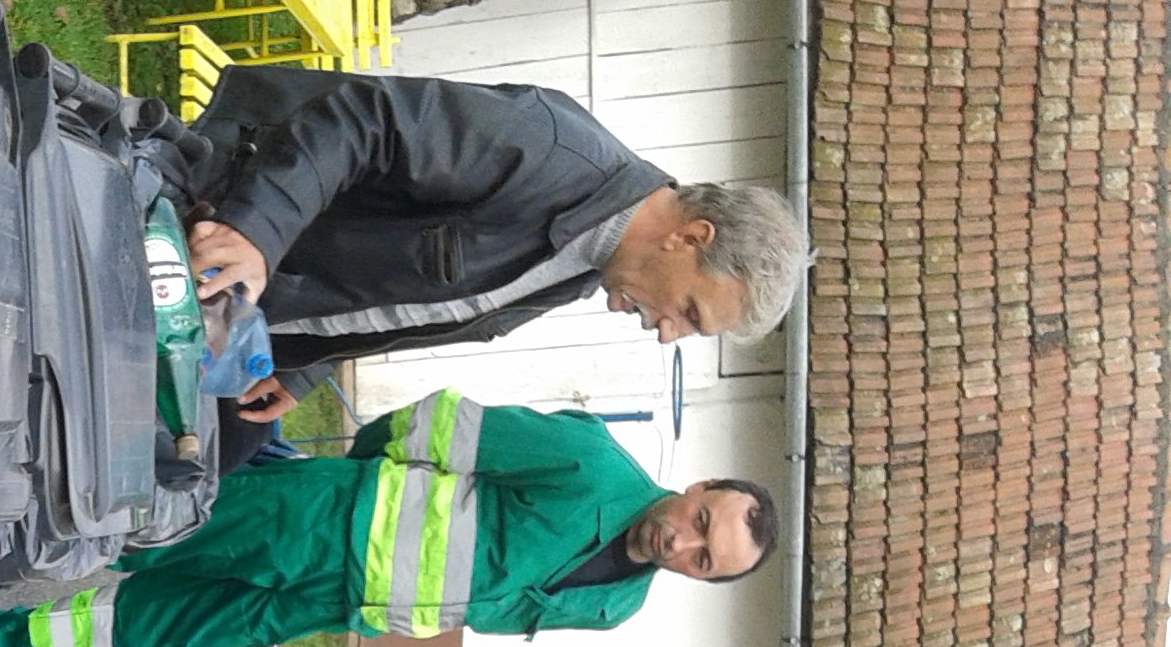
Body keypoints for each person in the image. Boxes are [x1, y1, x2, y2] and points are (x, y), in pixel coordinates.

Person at [0, 391, 774, 647]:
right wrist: (351, 472)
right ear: (698, 486)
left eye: (704, 560)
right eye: (701, 521)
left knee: (156, 630)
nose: (684, 544)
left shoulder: (616, 607)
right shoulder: (591, 463)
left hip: (333, 603)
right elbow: (438, 427)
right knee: (130, 528)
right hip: (320, 518)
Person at [179, 68, 809, 431]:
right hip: (209, 205)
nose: (669, 334)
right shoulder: (548, 148)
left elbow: (400, 304)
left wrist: (302, 368)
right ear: (692, 236)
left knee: (210, 457)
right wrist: (256, 231)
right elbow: (365, 121)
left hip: (243, 316)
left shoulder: (581, 272)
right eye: (691, 313)